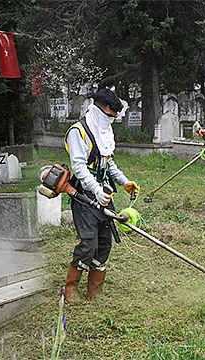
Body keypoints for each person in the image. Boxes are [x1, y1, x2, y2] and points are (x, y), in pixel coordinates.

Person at [62, 88, 139, 304]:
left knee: (105, 242)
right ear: (98, 108)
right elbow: (79, 167)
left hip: (105, 192)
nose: (111, 120)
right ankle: (70, 288)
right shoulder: (79, 131)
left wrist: (124, 181)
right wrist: (96, 190)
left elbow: (108, 161)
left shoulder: (104, 130)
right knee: (88, 242)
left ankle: (93, 290)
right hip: (84, 194)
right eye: (110, 115)